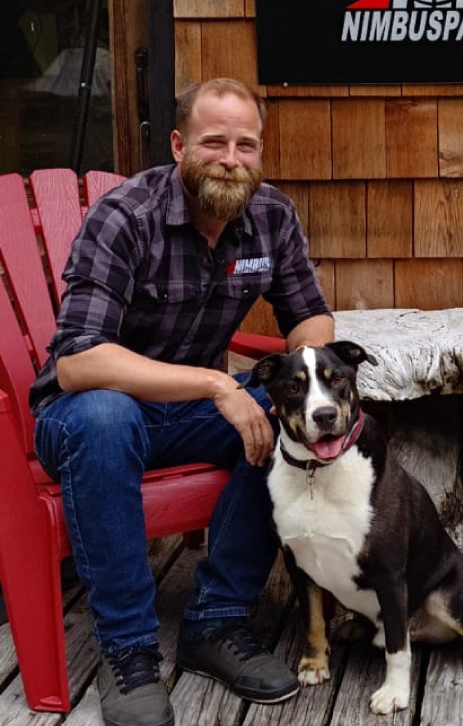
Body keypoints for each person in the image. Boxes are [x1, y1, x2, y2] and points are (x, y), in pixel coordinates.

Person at [30, 78, 335, 726]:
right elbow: (78, 360)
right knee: (107, 414)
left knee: (293, 414)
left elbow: (308, 317)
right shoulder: (125, 217)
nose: (230, 157)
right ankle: (129, 653)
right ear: (178, 145)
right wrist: (218, 384)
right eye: (213, 140)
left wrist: (304, 378)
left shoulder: (271, 217)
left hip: (184, 417)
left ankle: (217, 621)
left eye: (245, 144)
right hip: (80, 418)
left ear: (260, 151)